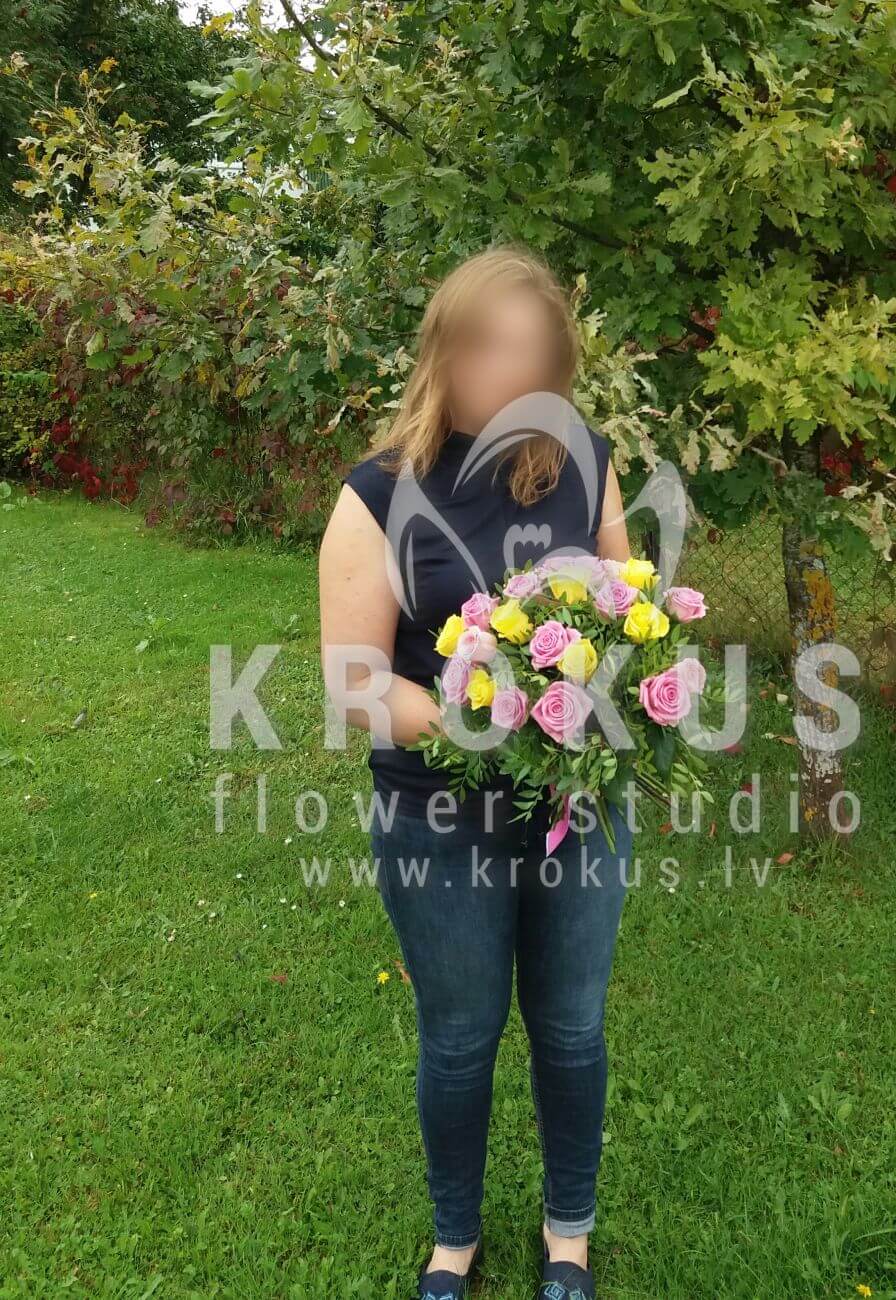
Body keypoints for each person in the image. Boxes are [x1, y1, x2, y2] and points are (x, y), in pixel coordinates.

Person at [319, 245, 632, 1300]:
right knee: (458, 1038)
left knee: (572, 1028)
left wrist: (612, 699)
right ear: (442, 349)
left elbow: (628, 609)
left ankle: (567, 1236)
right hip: (438, 816)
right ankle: (454, 1240)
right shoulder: (378, 493)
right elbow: (356, 684)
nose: (511, 370)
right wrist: (496, 724)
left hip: (576, 810)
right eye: (490, 345)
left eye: (533, 351)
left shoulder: (585, 461)